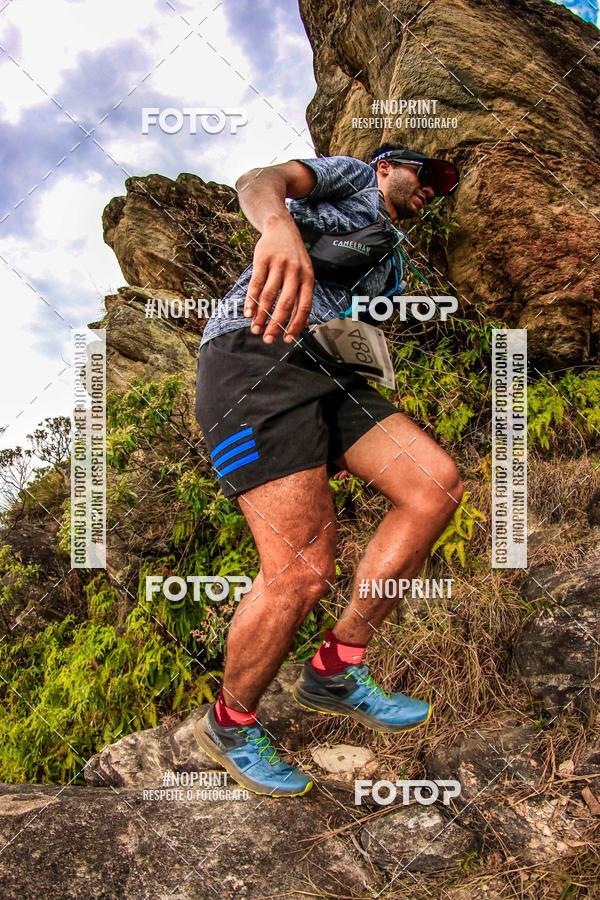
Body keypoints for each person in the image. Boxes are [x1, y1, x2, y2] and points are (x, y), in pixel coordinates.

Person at [194, 143, 464, 797]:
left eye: (442, 189)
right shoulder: (349, 180)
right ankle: (229, 723)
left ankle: (338, 666)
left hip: (331, 373)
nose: (432, 190)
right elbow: (260, 178)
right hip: (253, 356)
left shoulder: (393, 258)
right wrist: (280, 226)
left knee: (433, 487)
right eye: (425, 175)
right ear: (387, 167)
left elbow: (348, 320)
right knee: (302, 570)